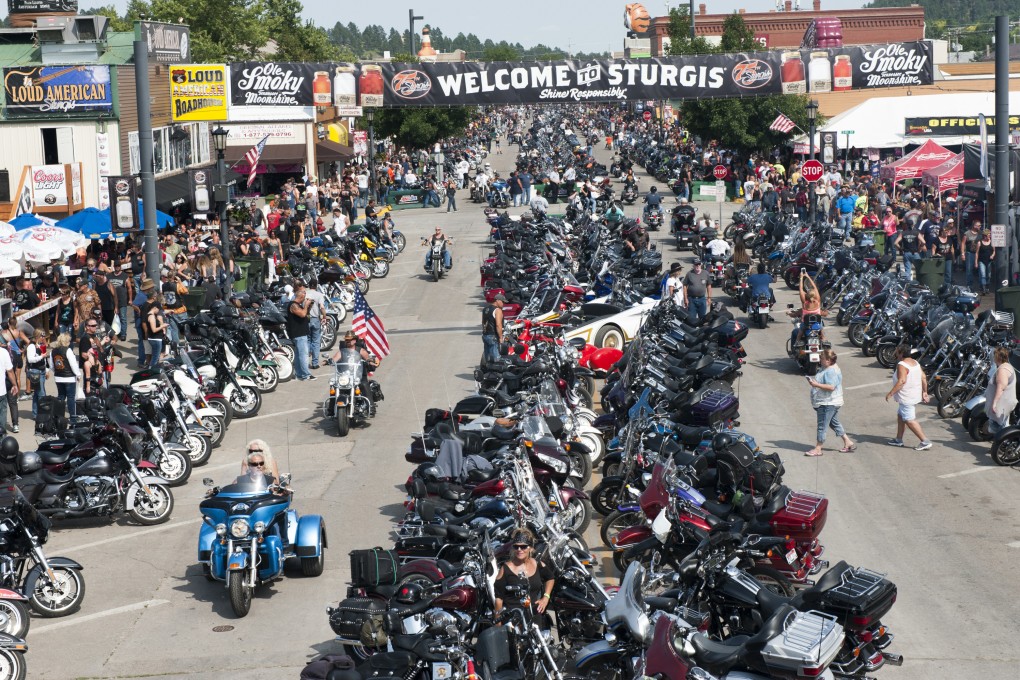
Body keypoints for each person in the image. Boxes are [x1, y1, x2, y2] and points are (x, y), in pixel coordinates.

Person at [493, 528, 555, 625]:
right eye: (516, 546)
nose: (519, 550)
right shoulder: (505, 569)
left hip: (534, 618)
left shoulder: (537, 564)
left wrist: (546, 597)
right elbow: (498, 600)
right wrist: (499, 626)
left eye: (523, 546)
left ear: (530, 547)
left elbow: (550, 578)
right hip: (513, 620)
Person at [805, 350, 855, 456]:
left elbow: (831, 387)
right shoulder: (827, 367)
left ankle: (818, 448)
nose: (820, 360)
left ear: (828, 361)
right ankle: (848, 442)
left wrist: (816, 385)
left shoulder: (831, 371)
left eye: (822, 359)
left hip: (827, 403)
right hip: (831, 401)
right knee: (833, 422)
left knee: (822, 425)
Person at [886, 343, 932, 450]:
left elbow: (902, 381)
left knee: (909, 419)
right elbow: (924, 377)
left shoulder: (902, 364)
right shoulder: (915, 362)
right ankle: (898, 439)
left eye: (897, 351)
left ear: (901, 353)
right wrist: (925, 392)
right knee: (901, 416)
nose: (896, 353)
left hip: (907, 397)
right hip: (914, 395)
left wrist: (890, 393)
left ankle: (925, 441)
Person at [330, 331, 379, 414]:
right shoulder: (342, 351)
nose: (347, 342)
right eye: (346, 340)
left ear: (355, 340)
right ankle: (331, 409)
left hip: (358, 375)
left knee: (364, 384)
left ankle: (371, 407)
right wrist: (328, 361)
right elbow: (334, 359)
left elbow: (368, 359)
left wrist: (372, 361)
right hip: (345, 375)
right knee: (334, 385)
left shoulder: (361, 350)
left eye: (349, 340)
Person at [985, 346, 1018, 435]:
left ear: (997, 357)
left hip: (1002, 404)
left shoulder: (1003, 369)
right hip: (1003, 403)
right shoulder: (1006, 366)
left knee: (1002, 430)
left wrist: (994, 404)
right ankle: (1001, 445)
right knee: (999, 428)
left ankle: (1002, 446)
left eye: (994, 355)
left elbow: (1001, 388)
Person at [287, 285, 314, 381]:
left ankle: (299, 374)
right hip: (299, 334)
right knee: (303, 355)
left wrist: (309, 307)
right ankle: (306, 374)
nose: (306, 296)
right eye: (304, 293)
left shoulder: (298, 305)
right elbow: (302, 314)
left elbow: (305, 314)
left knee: (299, 355)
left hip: (301, 333)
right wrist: (306, 305)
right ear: (301, 296)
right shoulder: (293, 305)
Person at [48, 333, 78, 418]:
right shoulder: (68, 350)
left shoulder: (53, 351)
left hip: (58, 378)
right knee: (71, 398)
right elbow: (73, 365)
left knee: (61, 397)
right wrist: (78, 375)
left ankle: (58, 416)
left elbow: (51, 366)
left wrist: (57, 372)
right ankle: (73, 417)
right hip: (69, 378)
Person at [305, 281, 327, 370]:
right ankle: (315, 363)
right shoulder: (319, 295)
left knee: (308, 340)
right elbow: (321, 307)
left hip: (306, 319)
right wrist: (324, 316)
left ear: (309, 285)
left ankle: (306, 361)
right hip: (315, 319)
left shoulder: (306, 294)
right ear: (316, 286)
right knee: (316, 341)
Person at [683, 258, 712, 323]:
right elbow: (684, 285)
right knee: (691, 319)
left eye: (699, 264)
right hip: (691, 300)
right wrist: (685, 298)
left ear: (701, 264)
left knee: (703, 319)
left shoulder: (705, 273)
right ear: (693, 265)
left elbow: (709, 285)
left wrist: (709, 298)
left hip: (702, 299)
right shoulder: (689, 274)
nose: (697, 266)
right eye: (696, 264)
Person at [145, 295, 168, 370]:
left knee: (155, 356)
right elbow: (154, 330)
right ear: (155, 308)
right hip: (155, 339)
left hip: (155, 338)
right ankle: (151, 371)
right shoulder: (151, 316)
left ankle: (152, 369)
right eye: (158, 309)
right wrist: (162, 326)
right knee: (155, 357)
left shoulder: (151, 315)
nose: (159, 311)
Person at [482, 294, 505, 365]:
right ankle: (495, 374)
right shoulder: (497, 310)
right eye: (502, 302)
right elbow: (498, 325)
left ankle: (487, 373)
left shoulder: (485, 309)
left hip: (485, 335)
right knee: (496, 360)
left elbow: (483, 322)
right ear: (497, 300)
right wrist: (501, 337)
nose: (503, 304)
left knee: (487, 358)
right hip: (493, 336)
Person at [0, 343, 16, 435]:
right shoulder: (3, 352)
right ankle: (2, 438)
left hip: (1, 391)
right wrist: (14, 384)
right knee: (2, 414)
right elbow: (10, 371)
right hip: (1, 391)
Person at [976, 229, 995, 295]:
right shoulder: (979, 242)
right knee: (983, 275)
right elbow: (977, 253)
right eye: (988, 235)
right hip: (981, 261)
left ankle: (987, 287)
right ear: (985, 236)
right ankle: (983, 288)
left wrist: (992, 255)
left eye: (990, 235)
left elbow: (994, 251)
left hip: (989, 261)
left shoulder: (992, 242)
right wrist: (976, 262)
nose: (989, 236)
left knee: (989, 275)